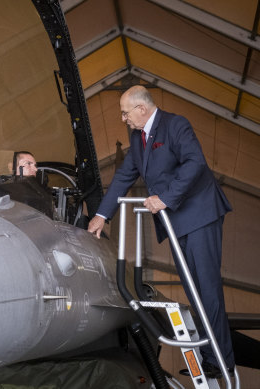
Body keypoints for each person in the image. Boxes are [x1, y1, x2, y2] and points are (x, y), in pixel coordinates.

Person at [87, 85, 234, 378]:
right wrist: (102, 215)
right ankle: (210, 356)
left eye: (125, 112)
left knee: (207, 288)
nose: (123, 118)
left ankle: (221, 359)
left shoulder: (175, 125)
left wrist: (165, 198)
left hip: (200, 214)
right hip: (176, 221)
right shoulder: (138, 138)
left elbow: (195, 163)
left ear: (141, 109)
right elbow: (123, 176)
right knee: (194, 290)